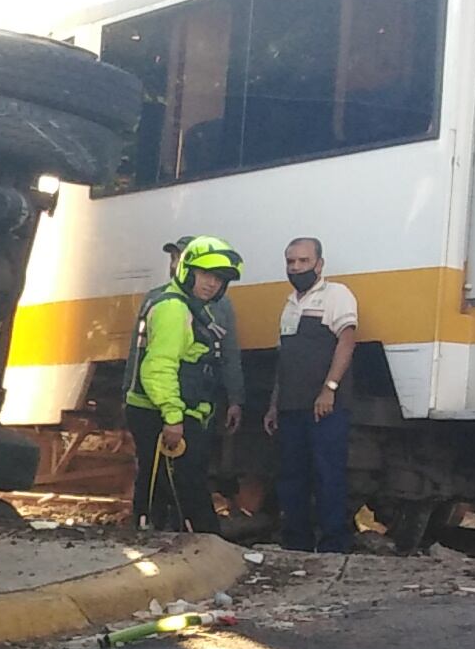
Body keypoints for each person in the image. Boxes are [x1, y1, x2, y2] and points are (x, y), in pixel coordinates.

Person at [126, 235, 242, 530]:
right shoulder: (173, 308)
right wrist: (173, 417)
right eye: (205, 275)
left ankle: (163, 538)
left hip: (177, 410)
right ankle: (195, 543)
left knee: (171, 486)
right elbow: (159, 367)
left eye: (219, 279)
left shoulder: (190, 305)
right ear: (188, 272)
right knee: (184, 488)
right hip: (164, 413)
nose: (212, 284)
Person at [266, 236, 359, 550]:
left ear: (319, 264)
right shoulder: (289, 305)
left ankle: (334, 545)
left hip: (325, 408)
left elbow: (346, 342)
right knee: (292, 477)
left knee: (328, 475)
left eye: (303, 261)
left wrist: (329, 389)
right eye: (291, 262)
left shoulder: (337, 295)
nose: (296, 267)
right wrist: (274, 404)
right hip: (291, 408)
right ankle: (297, 545)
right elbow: (285, 359)